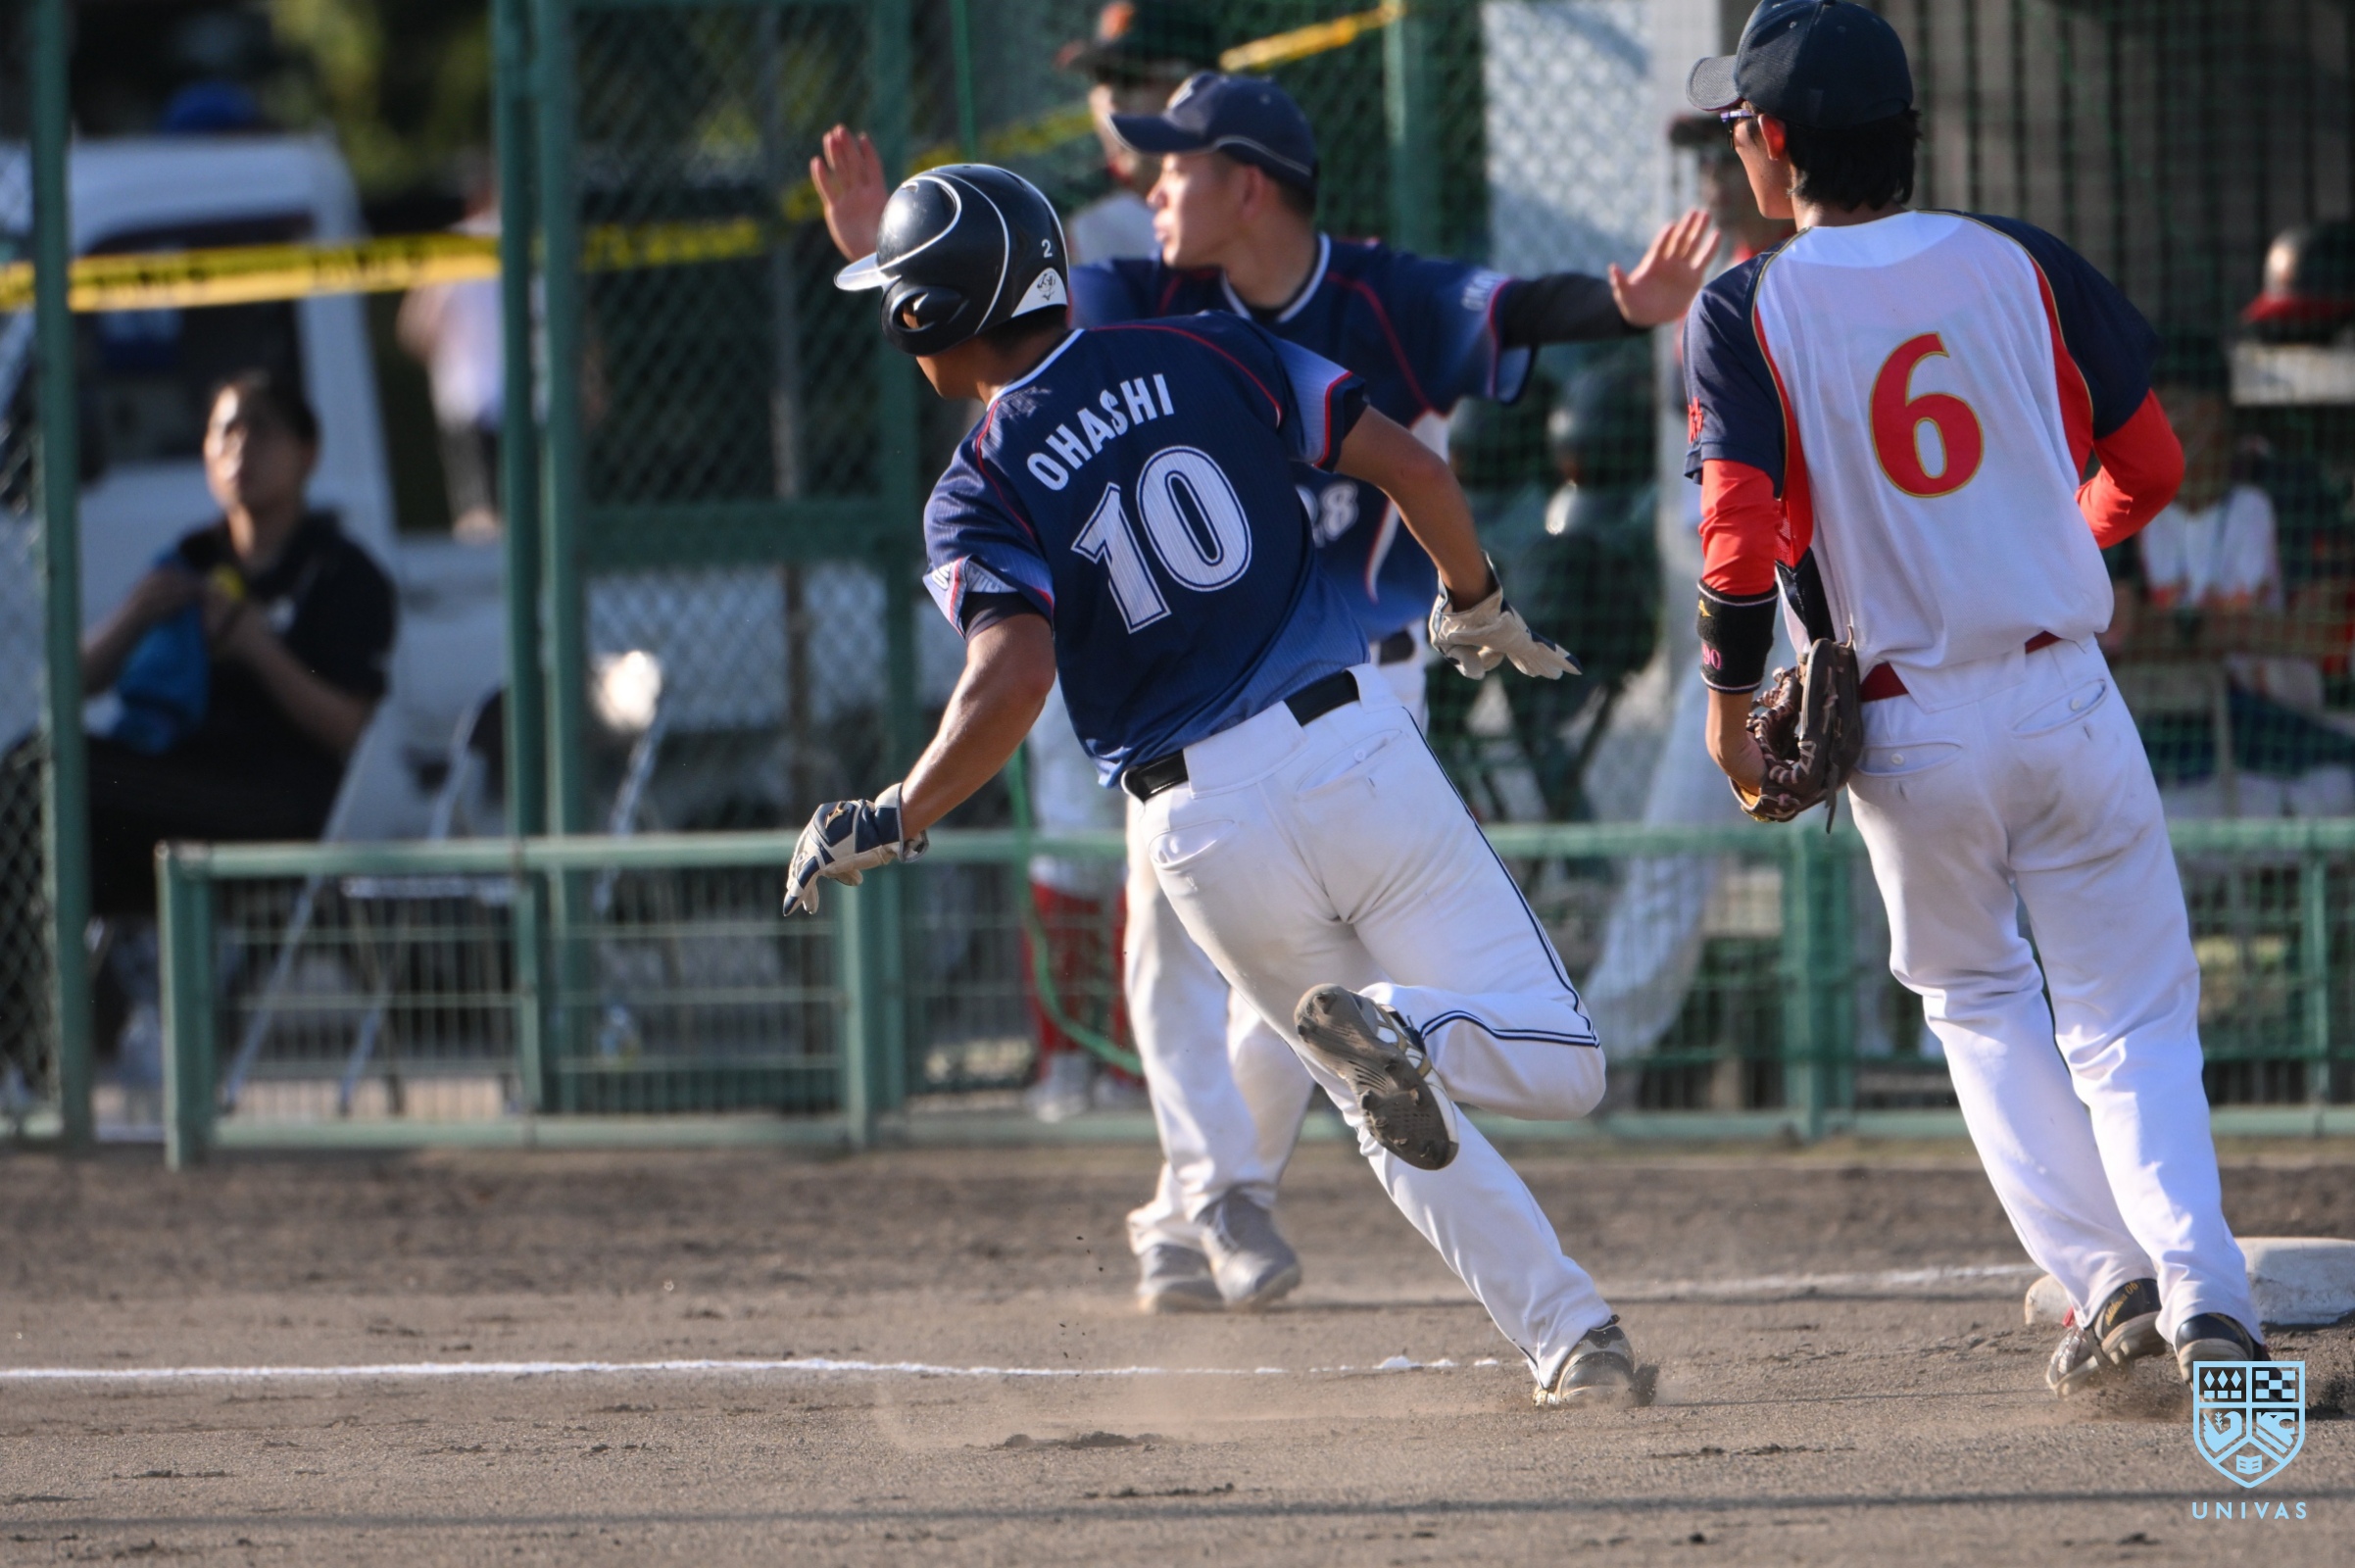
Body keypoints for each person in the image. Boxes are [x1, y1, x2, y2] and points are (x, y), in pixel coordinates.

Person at [812, 74, 1717, 1313]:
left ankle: (1504, 1297)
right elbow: (1410, 463)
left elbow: (1014, 667)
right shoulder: (1186, 327)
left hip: (1212, 794)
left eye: (1176, 165)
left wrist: (898, 812)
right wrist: (1479, 598)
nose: (1154, 186)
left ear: (1249, 185)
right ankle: (1271, 1166)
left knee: (1299, 1038)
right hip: (1355, 730)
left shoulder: (989, 475)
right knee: (1503, 1053)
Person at [1682, 0, 2261, 1392]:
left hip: (1906, 720)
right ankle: (2209, 1297)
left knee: (1979, 1000)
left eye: (1741, 124)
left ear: (1774, 143)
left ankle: (2108, 1287)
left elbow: (1737, 534)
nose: (1739, 145)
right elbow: (2150, 469)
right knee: (2132, 1019)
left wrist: (1726, 710)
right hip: (2066, 691)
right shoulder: (2020, 259)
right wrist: (2056, 540)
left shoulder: (1746, 305)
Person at [0, 371, 397, 1077]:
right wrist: (135, 617)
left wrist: (254, 645)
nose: (239, 450)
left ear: (307, 452)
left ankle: (49, 1054)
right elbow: (69, 685)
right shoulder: (192, 558)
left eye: (260, 430)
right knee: (28, 813)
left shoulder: (340, 572)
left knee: (54, 771)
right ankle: (46, 1051)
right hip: (166, 791)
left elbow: (343, 726)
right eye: (223, 433)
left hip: (273, 801)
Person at [397, 161, 505, 541]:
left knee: (479, 512)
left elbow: (416, 328)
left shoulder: (453, 248)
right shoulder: (537, 242)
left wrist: (443, 364)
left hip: (470, 398)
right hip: (532, 399)